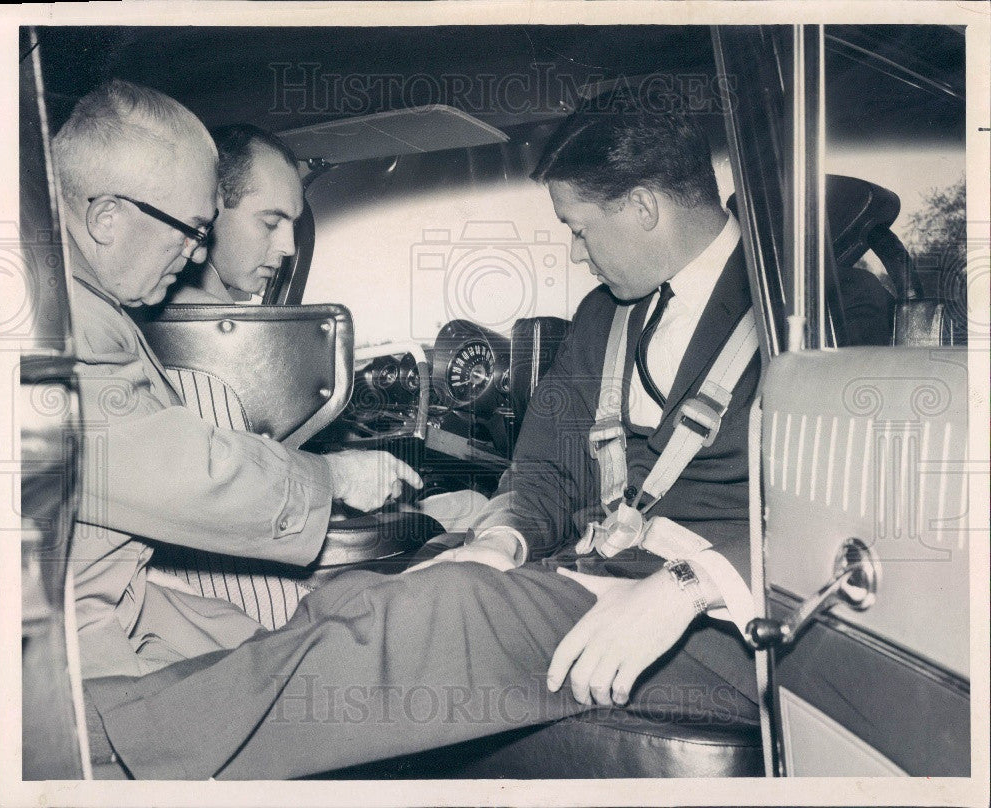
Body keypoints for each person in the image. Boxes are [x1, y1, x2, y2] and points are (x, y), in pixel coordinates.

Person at [85, 106, 762, 780]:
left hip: (716, 627)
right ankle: (118, 722)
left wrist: (688, 585)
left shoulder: (810, 305)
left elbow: (852, 520)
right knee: (358, 595)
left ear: (643, 207)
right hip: (598, 575)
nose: (576, 252)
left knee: (440, 612)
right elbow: (547, 470)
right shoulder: (602, 315)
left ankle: (112, 756)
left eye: (579, 230)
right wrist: (502, 539)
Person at [53, 80, 422, 681]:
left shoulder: (92, 306)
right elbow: (182, 476)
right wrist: (331, 477)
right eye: (191, 230)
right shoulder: (60, 322)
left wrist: (261, 645)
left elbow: (117, 583)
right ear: (106, 217)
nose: (198, 255)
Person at [169, 125, 302, 305]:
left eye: (293, 226)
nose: (289, 248)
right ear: (211, 207)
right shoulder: (202, 311)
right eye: (271, 223)